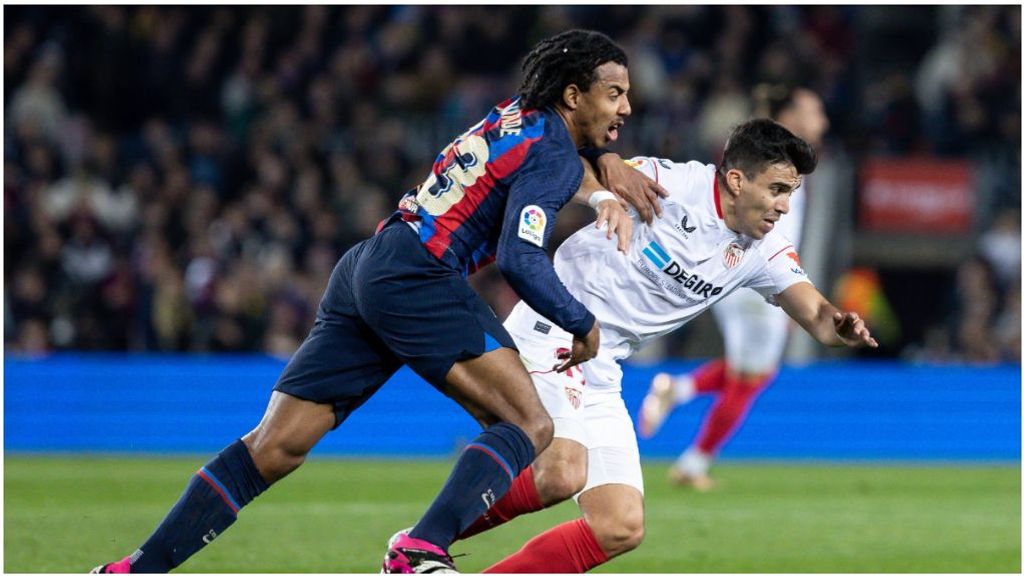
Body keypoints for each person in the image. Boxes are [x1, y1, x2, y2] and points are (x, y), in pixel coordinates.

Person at [91, 29, 663, 575]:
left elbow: (547, 163)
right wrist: (581, 323)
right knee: (529, 424)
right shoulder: (555, 155)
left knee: (275, 447)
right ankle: (419, 548)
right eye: (614, 94)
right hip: (421, 275)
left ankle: (136, 568)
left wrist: (605, 167)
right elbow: (520, 255)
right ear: (572, 94)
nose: (626, 109)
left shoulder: (518, 117)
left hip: (369, 264)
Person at [452, 119, 876, 573]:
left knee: (619, 525)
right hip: (553, 329)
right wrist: (603, 182)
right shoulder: (669, 182)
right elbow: (568, 166)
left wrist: (841, 325)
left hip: (601, 365)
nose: (784, 207)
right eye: (776, 189)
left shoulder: (763, 250)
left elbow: (817, 316)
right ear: (736, 180)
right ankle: (420, 544)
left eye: (790, 193)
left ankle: (422, 547)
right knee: (558, 471)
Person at [637, 85, 832, 490]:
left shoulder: (781, 158)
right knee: (752, 377)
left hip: (760, 272)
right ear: (791, 114)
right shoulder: (764, 160)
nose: (823, 122)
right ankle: (693, 463)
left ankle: (679, 389)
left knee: (753, 372)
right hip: (749, 271)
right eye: (814, 112)